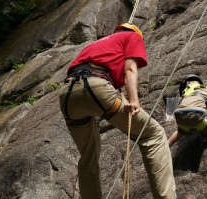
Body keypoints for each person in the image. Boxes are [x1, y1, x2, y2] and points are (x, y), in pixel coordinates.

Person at [59, 23, 176, 199]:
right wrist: (134, 100)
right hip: (95, 87)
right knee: (153, 135)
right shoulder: (132, 37)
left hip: (67, 96)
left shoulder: (94, 45)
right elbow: (130, 68)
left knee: (88, 157)